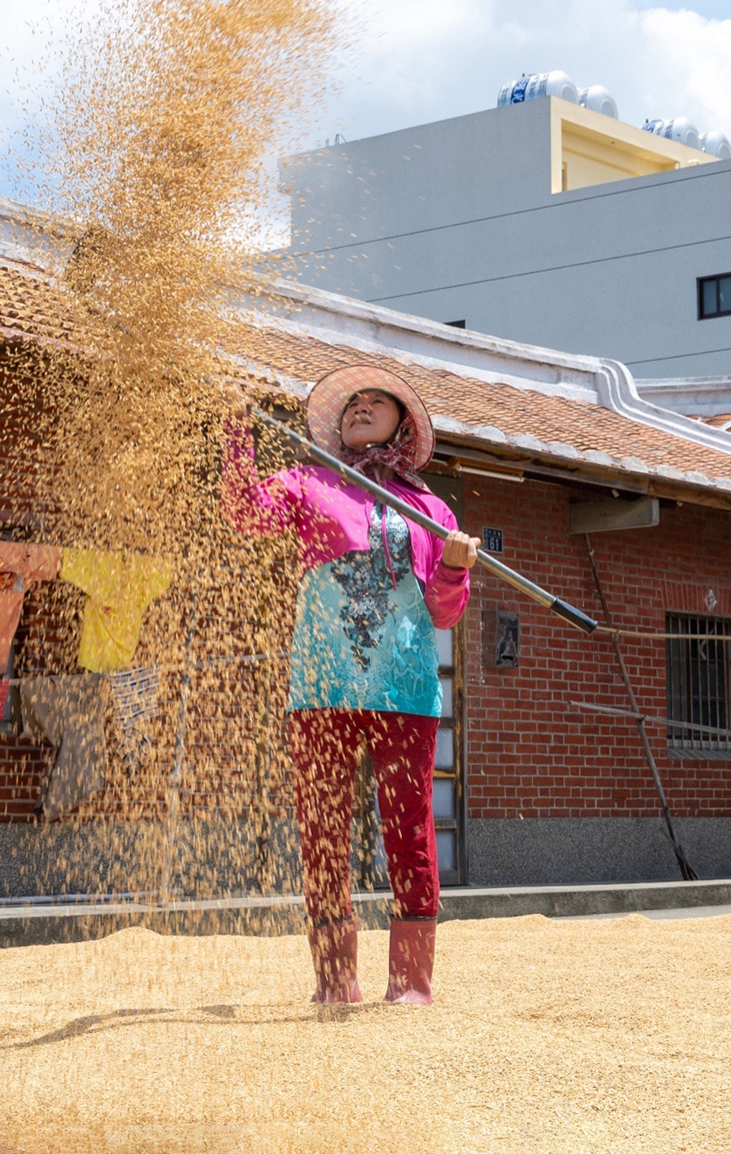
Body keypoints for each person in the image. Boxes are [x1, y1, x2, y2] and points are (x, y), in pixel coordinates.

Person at [223, 364, 478, 1005]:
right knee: (324, 829)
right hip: (321, 686)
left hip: (405, 689)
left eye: (377, 403)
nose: (362, 407)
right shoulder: (309, 481)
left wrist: (452, 566)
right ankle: (335, 982)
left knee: (410, 829)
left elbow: (447, 612)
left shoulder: (432, 509)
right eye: (353, 403)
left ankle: (411, 985)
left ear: (403, 424)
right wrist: (235, 431)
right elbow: (244, 516)